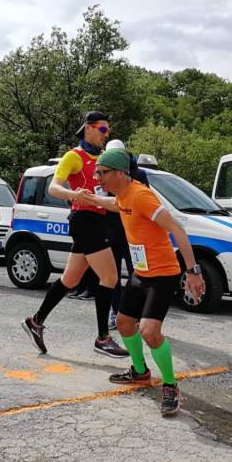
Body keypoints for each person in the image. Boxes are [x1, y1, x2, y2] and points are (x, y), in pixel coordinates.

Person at [81, 148, 206, 416]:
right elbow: (115, 205)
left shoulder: (141, 196)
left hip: (163, 275)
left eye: (102, 173)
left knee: (150, 332)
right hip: (141, 273)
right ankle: (140, 371)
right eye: (96, 173)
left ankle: (170, 385)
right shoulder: (122, 195)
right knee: (124, 323)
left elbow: (177, 229)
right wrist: (92, 199)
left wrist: (193, 271)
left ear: (119, 173)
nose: (97, 177)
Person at [21, 111, 126, 358]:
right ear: (88, 128)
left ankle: (35, 321)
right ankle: (103, 338)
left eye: (108, 130)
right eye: (103, 129)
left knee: (70, 279)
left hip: (97, 220)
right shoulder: (74, 156)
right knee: (110, 277)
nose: (106, 134)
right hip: (85, 221)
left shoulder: (102, 158)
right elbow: (54, 187)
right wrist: (74, 195)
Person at [102, 139, 147, 330]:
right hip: (111, 232)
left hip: (133, 234)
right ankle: (115, 312)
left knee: (137, 275)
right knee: (112, 276)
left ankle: (138, 315)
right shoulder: (103, 172)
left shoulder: (138, 174)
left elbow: (144, 201)